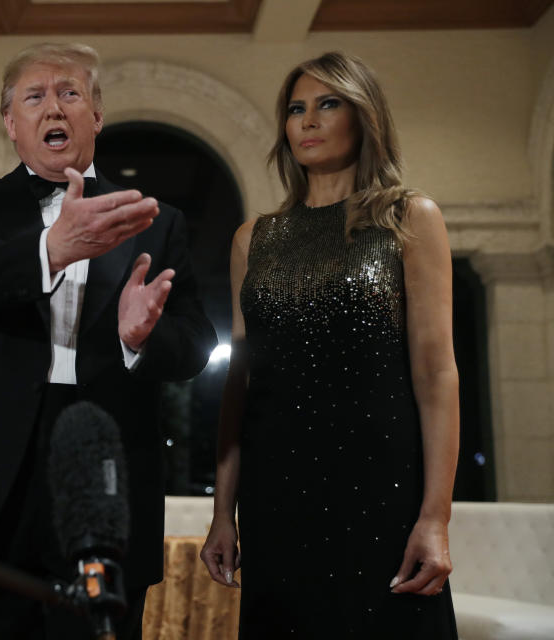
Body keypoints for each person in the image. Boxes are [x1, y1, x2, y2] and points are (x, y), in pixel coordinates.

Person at [0, 42, 216, 640]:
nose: (52, 107)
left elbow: (196, 345)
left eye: (69, 93)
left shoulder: (155, 221)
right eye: (34, 96)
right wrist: (51, 249)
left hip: (104, 472)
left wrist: (142, 337)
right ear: (10, 122)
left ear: (96, 116)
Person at [199, 51, 459, 638]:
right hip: (276, 490)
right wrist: (223, 513)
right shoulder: (253, 239)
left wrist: (436, 518)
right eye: (296, 109)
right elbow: (239, 384)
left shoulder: (409, 218)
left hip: (379, 487)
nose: (308, 121)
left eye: (328, 104)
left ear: (363, 117)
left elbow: (436, 374)